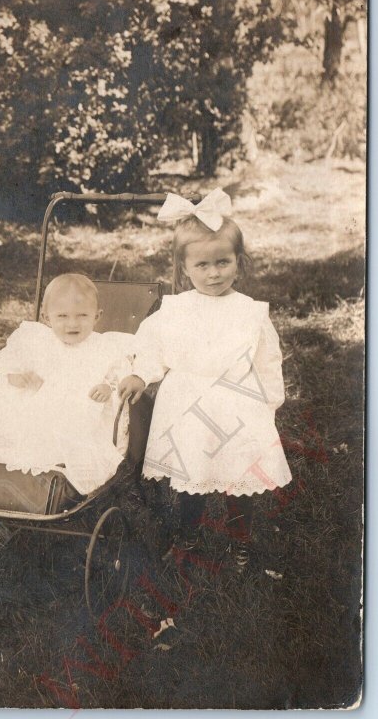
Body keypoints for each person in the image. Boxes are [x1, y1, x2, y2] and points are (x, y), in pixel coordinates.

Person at [119, 189, 292, 568]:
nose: (213, 273)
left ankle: (239, 537)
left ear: (238, 263)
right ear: (184, 269)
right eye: (202, 266)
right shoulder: (175, 310)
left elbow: (267, 360)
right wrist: (139, 373)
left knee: (240, 475)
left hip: (237, 403)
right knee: (190, 475)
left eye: (222, 262)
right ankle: (188, 534)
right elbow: (152, 347)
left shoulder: (249, 312)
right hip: (187, 405)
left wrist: (268, 404)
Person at [0, 274, 135, 496]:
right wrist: (17, 376)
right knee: (13, 425)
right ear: (46, 317)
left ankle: (52, 474)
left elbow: (120, 370)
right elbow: (11, 367)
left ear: (97, 316)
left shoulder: (103, 346)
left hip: (78, 414)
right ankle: (2, 468)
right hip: (35, 410)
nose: (72, 323)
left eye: (82, 315)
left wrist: (107, 386)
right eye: (62, 316)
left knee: (67, 435)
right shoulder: (36, 341)